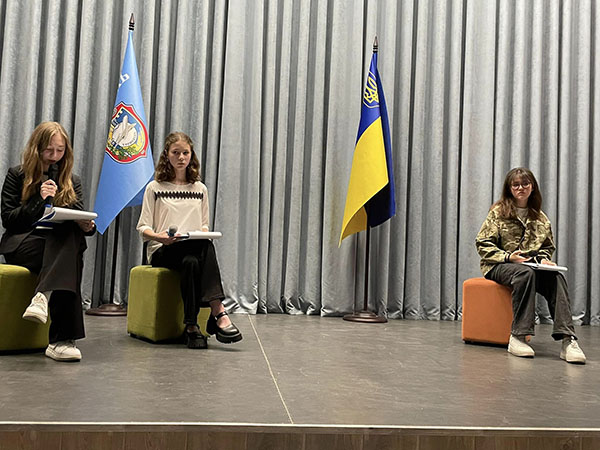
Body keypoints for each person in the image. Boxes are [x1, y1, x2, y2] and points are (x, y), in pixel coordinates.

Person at [136, 131, 242, 349]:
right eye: (176, 153)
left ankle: (191, 327)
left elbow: (203, 227)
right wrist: (160, 237)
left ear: (191, 155)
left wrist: (198, 234)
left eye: (185, 153)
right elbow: (143, 228)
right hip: (163, 250)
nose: (181, 157)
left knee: (192, 262)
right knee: (205, 246)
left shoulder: (200, 189)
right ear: (167, 155)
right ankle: (218, 310)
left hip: (191, 249)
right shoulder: (154, 188)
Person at [0, 122, 95, 362]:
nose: (54, 156)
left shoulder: (72, 180)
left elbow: (78, 215)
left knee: (70, 237)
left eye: (60, 150)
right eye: (49, 150)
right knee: (70, 254)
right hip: (24, 243)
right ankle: (62, 340)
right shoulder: (17, 175)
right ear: (37, 148)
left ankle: (41, 297)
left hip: (57, 244)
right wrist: (38, 201)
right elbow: (9, 220)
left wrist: (87, 226)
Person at [475, 167, 586, 363]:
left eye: (525, 184)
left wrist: (542, 259)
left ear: (532, 187)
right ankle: (518, 336)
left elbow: (547, 246)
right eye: (516, 184)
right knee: (524, 274)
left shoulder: (540, 218)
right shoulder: (498, 213)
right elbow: (483, 244)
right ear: (509, 188)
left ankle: (568, 340)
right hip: (498, 265)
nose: (521, 188)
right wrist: (508, 257)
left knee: (556, 278)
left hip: (530, 266)